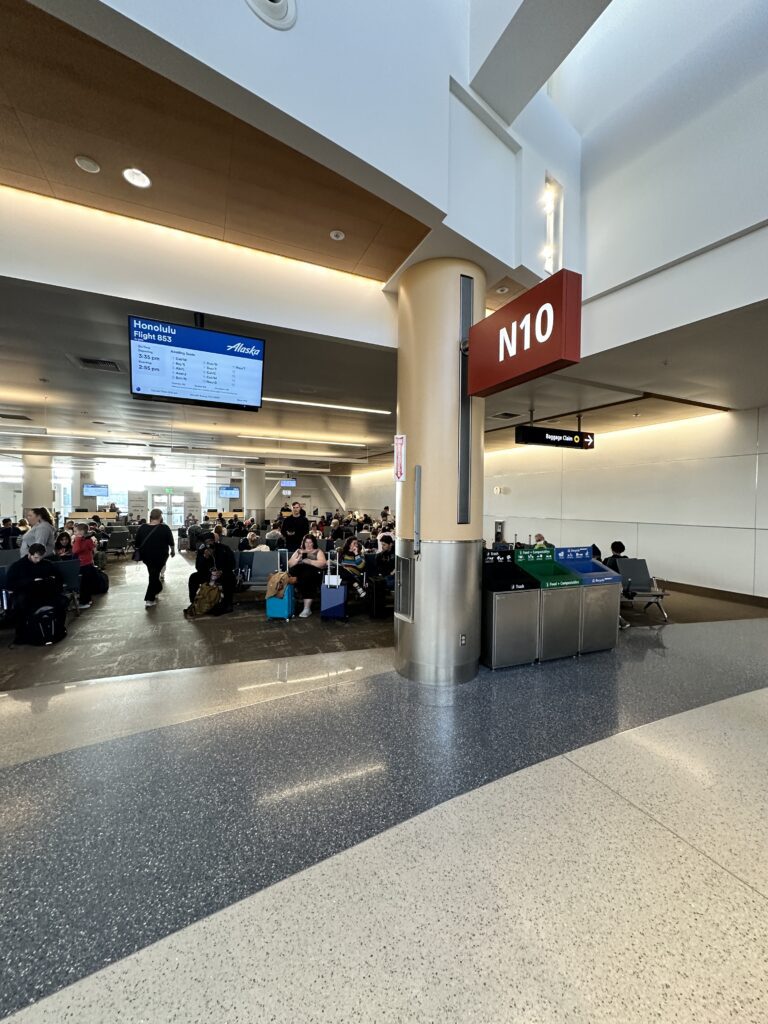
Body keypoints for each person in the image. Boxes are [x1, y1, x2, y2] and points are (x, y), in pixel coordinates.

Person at [6, 543, 66, 645]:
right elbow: (10, 584)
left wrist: (48, 581)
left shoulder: (47, 564)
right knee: (20, 605)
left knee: (62, 601)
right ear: (29, 554)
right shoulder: (17, 566)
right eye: (36, 557)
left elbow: (59, 579)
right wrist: (31, 581)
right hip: (26, 594)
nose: (38, 560)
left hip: (45, 592)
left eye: (40, 558)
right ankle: (22, 634)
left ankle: (58, 629)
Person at [135, 508, 176, 608]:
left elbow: (137, 543)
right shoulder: (165, 528)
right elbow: (171, 542)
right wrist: (173, 551)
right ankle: (149, 599)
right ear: (160, 517)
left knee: (153, 574)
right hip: (160, 556)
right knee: (154, 575)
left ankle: (156, 590)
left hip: (146, 556)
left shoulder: (142, 527)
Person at [187, 530, 236, 613]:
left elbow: (232, 564)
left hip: (222, 574)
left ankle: (228, 604)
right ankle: (194, 602)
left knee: (230, 577)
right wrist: (204, 557)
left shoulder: (224, 548)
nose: (209, 543)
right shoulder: (202, 551)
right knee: (193, 577)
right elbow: (198, 568)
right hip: (208, 575)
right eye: (207, 542)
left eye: (211, 541)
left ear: (214, 541)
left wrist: (222, 571)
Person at [288, 534, 327, 618]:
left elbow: (323, 564)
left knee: (308, 577)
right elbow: (290, 564)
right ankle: (297, 604)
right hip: (299, 573)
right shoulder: (299, 551)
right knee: (297, 574)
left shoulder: (318, 551)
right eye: (306, 542)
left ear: (313, 543)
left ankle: (306, 608)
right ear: (303, 543)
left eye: (310, 542)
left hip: (312, 573)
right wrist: (297, 560)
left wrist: (309, 561)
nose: (308, 544)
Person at [602, 541, 631, 630]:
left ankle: (619, 621)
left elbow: (604, 574)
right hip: (624, 587)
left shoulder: (608, 560)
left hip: (612, 587)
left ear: (612, 549)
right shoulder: (626, 560)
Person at [72, 522, 100, 609]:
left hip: (83, 565)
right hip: (88, 563)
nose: (74, 533)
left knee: (84, 584)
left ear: (81, 532)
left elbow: (75, 550)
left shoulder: (81, 541)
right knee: (86, 584)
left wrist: (77, 540)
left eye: (76, 531)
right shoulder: (88, 540)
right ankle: (88, 600)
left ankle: (85, 602)